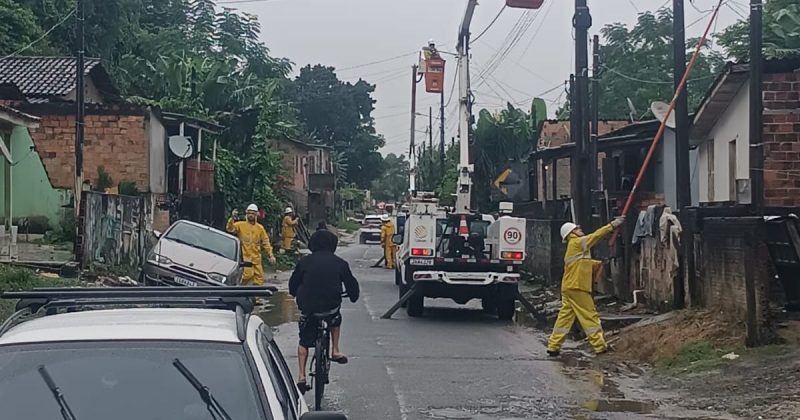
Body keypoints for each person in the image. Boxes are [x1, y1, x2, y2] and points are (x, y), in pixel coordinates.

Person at [289, 229, 359, 392]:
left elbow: (293, 286)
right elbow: (352, 287)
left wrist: (297, 293)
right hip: (330, 308)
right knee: (335, 318)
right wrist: (353, 296)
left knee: (304, 340)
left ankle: (301, 375)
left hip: (309, 308)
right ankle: (335, 350)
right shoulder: (340, 263)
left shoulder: (304, 262)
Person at [546, 216, 625, 357]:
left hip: (569, 287)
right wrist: (611, 226)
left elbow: (581, 264)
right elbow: (595, 236)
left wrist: (598, 263)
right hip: (577, 287)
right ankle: (600, 346)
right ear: (571, 233)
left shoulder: (574, 247)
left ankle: (553, 345)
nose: (580, 229)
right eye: (577, 228)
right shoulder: (577, 243)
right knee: (589, 316)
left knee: (564, 318)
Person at [226, 204, 276, 286]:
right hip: (245, 259)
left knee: (259, 279)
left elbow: (266, 242)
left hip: (256, 259)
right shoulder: (240, 225)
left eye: (253, 213)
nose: (251, 215)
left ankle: (257, 297)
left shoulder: (260, 228)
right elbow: (230, 229)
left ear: (256, 215)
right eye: (249, 213)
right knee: (247, 276)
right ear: (246, 214)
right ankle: (239, 291)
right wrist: (232, 219)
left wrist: (271, 255)